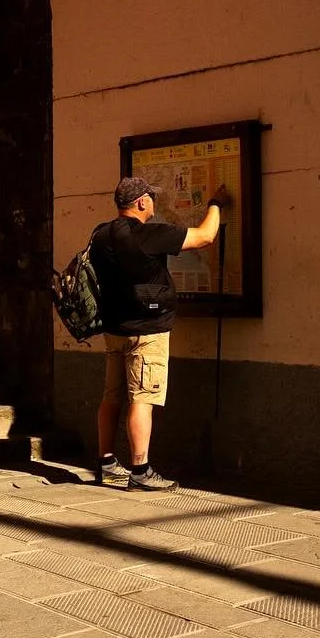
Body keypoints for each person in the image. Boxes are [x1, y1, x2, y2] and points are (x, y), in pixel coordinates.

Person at [90, 175, 230, 491]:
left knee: (112, 397)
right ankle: (140, 471)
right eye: (151, 198)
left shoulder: (101, 235)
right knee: (143, 398)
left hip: (114, 329)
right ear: (141, 202)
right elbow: (206, 236)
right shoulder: (150, 235)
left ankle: (107, 463)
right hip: (147, 332)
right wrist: (216, 203)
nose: (154, 202)